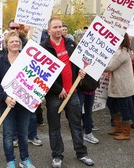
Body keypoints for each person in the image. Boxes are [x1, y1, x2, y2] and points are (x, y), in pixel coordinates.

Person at [41, 17, 94, 167]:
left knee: (76, 124)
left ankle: (82, 153)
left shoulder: (70, 43)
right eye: (55, 27)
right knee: (54, 127)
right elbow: (43, 74)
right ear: (49, 30)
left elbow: (78, 62)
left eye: (60, 27)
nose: (58, 30)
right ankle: (57, 156)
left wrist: (81, 72)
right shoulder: (43, 47)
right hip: (54, 95)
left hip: (73, 93)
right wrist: (59, 89)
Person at [0, 30, 35, 168]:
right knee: (8, 134)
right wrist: (5, 98)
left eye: (17, 41)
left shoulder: (27, 59)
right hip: (7, 104)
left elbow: (35, 80)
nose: (15, 43)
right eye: (12, 41)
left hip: (24, 104)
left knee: (23, 133)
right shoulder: (0, 61)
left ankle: (25, 159)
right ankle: (10, 160)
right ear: (6, 45)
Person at [104, 33, 134, 140]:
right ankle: (118, 127)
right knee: (111, 103)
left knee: (124, 108)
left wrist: (98, 64)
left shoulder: (121, 52)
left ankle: (126, 133)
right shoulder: (124, 50)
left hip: (122, 86)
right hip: (121, 85)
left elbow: (111, 67)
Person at [77, 74, 99, 144]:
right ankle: (76, 135)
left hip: (91, 87)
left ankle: (88, 133)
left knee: (88, 112)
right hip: (80, 88)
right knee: (77, 112)